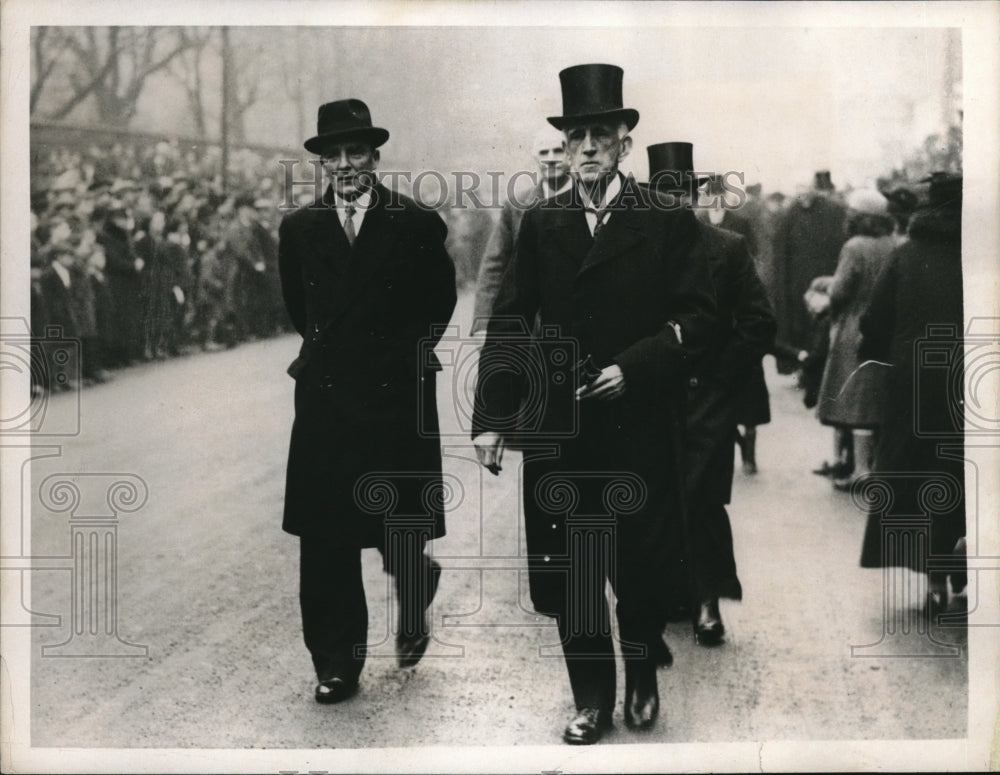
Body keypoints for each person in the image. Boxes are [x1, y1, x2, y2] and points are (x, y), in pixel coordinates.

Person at [473, 65, 716, 744]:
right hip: (560, 423)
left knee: (638, 565)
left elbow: (698, 320)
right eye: (575, 135)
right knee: (571, 572)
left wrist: (632, 368)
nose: (585, 148)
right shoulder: (542, 220)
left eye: (599, 135)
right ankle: (590, 698)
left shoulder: (665, 220)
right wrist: (493, 416)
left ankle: (641, 672)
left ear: (624, 143)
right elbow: (511, 322)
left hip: (635, 421)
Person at [278, 99, 457, 704]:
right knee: (326, 535)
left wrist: (400, 356)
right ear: (322, 164)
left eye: (357, 152)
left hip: (394, 390)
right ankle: (336, 661)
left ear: (375, 157)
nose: (347, 164)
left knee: (398, 517)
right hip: (327, 394)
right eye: (335, 155)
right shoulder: (299, 229)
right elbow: (301, 312)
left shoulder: (412, 222)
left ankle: (414, 580)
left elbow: (440, 302)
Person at [645, 142, 776, 645]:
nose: (673, 201)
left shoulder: (726, 248)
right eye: (662, 192)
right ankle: (666, 595)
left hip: (707, 398)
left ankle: (707, 602)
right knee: (654, 500)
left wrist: (722, 378)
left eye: (681, 192)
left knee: (701, 500)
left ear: (697, 195)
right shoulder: (635, 250)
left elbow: (759, 322)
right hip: (651, 395)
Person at [858, 172, 965, 613]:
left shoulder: (906, 256)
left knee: (922, 478)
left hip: (916, 384)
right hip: (976, 383)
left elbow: (874, 322)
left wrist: (890, 356)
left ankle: (935, 580)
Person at [815, 189, 896, 490]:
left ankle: (860, 471)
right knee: (875, 400)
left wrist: (826, 289)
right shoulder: (893, 244)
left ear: (859, 219)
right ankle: (868, 465)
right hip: (885, 327)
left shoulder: (854, 246)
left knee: (855, 401)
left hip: (854, 327)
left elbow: (840, 291)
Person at [470, 125, 572, 335]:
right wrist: (482, 324)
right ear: (535, 158)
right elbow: (494, 266)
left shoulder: (588, 200)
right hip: (529, 330)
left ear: (570, 154)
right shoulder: (516, 206)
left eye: (558, 151)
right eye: (544, 152)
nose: (551, 158)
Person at [772, 170, 847, 373]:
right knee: (801, 326)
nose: (803, 196)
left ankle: (819, 366)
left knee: (822, 324)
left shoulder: (832, 211)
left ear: (814, 189)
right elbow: (781, 252)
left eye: (806, 190)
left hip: (823, 277)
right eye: (799, 192)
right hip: (798, 281)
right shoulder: (789, 214)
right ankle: (805, 366)